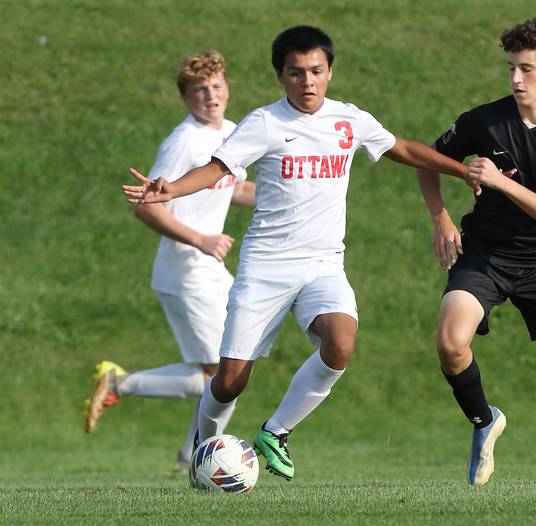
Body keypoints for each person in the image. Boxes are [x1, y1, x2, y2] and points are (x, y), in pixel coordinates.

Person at [122, 26, 476, 481]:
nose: (307, 82)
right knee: (229, 381)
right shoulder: (264, 123)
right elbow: (215, 171)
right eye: (296, 73)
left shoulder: (349, 121)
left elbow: (402, 148)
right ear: (281, 77)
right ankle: (202, 453)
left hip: (323, 264)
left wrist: (462, 171)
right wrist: (169, 188)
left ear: (329, 72)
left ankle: (276, 431)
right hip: (265, 265)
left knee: (341, 341)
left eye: (316, 71)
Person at [416, 17, 536, 485]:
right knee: (449, 341)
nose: (516, 79)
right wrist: (440, 217)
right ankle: (485, 421)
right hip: (485, 255)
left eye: (526, 69)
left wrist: (500, 181)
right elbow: (427, 159)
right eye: (511, 68)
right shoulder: (484, 121)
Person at [86, 50, 256, 474]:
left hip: (208, 271)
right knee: (220, 375)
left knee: (233, 367)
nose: (211, 96)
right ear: (186, 98)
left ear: (228, 88)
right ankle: (122, 387)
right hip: (185, 271)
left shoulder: (231, 132)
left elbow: (230, 187)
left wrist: (298, 190)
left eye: (217, 86)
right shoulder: (184, 142)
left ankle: (192, 458)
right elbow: (146, 206)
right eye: (200, 90)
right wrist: (200, 239)